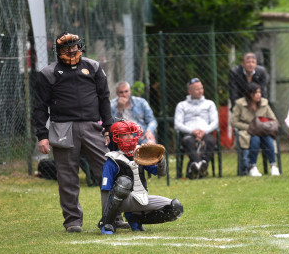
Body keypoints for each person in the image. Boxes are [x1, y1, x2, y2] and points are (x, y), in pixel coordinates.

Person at [33, 32, 129, 232]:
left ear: (80, 46)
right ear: (58, 51)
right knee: (67, 177)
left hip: (93, 126)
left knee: (107, 171)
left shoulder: (93, 67)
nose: (71, 50)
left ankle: (114, 217)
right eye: (66, 47)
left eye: (74, 46)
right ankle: (72, 222)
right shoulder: (48, 73)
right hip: (62, 128)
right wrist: (42, 135)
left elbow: (104, 97)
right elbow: (40, 107)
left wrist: (108, 128)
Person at [98, 120, 183, 235]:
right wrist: (105, 217)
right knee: (124, 182)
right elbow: (105, 190)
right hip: (122, 202)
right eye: (125, 134)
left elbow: (161, 173)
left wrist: (160, 159)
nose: (130, 137)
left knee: (175, 208)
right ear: (116, 138)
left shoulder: (140, 153)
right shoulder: (112, 160)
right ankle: (108, 224)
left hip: (141, 197)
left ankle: (135, 219)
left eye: (131, 134)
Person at [230, 82, 280, 177]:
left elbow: (274, 120)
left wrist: (263, 125)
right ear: (249, 94)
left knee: (267, 138)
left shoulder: (264, 103)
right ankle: (253, 167)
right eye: (256, 92)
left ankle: (273, 165)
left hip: (263, 130)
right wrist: (249, 127)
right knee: (255, 138)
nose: (259, 95)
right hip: (247, 131)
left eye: (260, 92)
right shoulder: (240, 104)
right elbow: (233, 122)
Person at [174, 77, 219, 179]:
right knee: (188, 141)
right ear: (189, 91)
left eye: (201, 88)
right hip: (189, 133)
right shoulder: (182, 105)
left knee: (211, 141)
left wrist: (204, 131)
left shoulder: (210, 104)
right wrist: (192, 131)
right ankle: (201, 165)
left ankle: (195, 166)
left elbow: (215, 122)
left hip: (206, 132)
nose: (200, 91)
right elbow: (178, 124)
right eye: (197, 89)